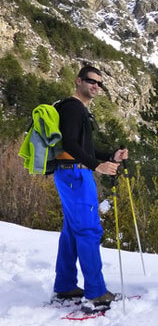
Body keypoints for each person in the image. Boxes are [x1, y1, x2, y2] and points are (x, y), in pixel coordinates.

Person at [52, 65, 128, 310]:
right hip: (76, 175)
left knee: (72, 232)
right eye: (91, 81)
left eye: (99, 83)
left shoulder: (74, 108)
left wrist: (110, 155)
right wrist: (97, 165)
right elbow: (71, 144)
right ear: (78, 81)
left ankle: (65, 286)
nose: (96, 86)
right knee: (88, 231)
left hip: (68, 174)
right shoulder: (74, 108)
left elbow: (82, 147)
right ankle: (96, 292)